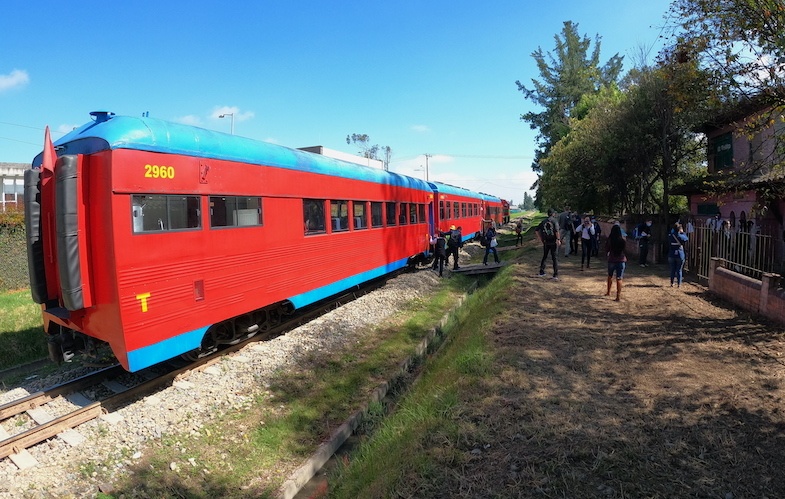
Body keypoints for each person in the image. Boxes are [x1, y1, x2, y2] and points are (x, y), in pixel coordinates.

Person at [605, 224, 627, 301]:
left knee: (610, 276)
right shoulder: (622, 240)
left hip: (612, 260)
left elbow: (607, 249)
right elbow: (624, 250)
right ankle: (618, 296)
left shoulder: (610, 240)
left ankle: (608, 291)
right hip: (621, 260)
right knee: (619, 278)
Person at [536, 209, 560, 280]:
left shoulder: (544, 222)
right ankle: (555, 275)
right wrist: (558, 239)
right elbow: (557, 231)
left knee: (545, 256)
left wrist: (541, 239)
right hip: (553, 242)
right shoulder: (555, 221)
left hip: (546, 242)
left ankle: (541, 271)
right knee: (554, 258)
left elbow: (537, 231)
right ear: (553, 214)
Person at [668, 222, 689, 287]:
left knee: (672, 269)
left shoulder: (670, 235)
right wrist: (683, 232)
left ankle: (672, 283)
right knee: (679, 270)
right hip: (680, 254)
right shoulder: (681, 236)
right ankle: (679, 284)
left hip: (671, 254)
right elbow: (686, 239)